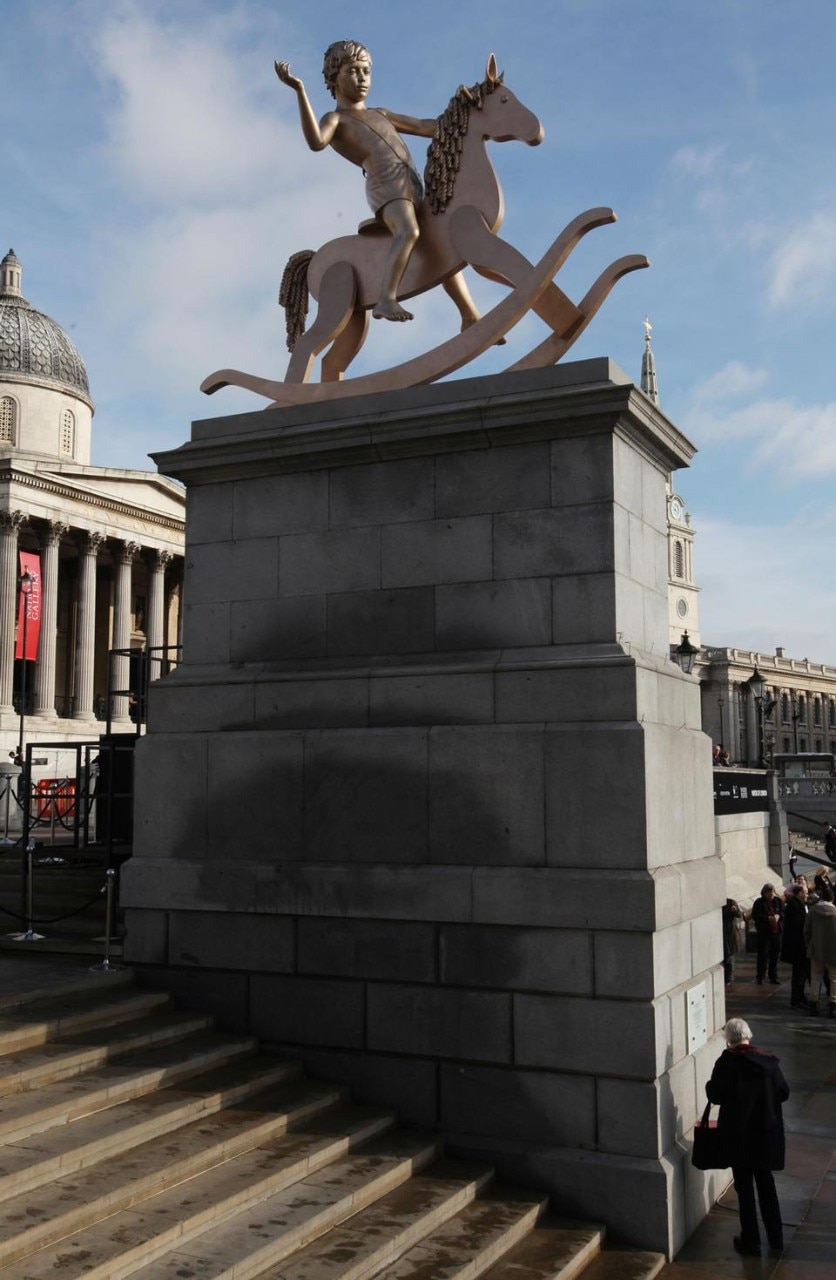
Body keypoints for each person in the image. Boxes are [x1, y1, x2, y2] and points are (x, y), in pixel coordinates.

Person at [276, 40, 479, 326]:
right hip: (386, 185)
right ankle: (386, 299)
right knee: (408, 231)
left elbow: (428, 127)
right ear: (335, 78)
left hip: (412, 183)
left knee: (440, 240)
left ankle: (469, 314)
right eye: (353, 71)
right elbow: (316, 141)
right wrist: (300, 91)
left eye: (366, 72)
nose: (361, 79)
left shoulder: (381, 114)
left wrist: (463, 106)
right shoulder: (335, 119)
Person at [705, 1017, 789, 1256]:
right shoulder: (768, 1062)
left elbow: (716, 1094)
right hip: (765, 1135)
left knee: (745, 1190)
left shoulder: (727, 1063)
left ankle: (751, 1240)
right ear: (748, 1036)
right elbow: (784, 1092)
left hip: (738, 1137)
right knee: (767, 1188)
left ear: (729, 1040)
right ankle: (776, 1238)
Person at [804, 884, 836, 1016]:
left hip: (816, 949)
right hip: (833, 950)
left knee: (815, 978)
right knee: (834, 979)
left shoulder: (812, 910)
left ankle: (814, 1005)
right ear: (832, 898)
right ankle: (833, 1006)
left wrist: (810, 944)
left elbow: (806, 930)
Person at [780, 882, 809, 1008]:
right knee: (799, 974)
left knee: (801, 974)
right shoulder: (794, 905)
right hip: (798, 947)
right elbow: (799, 926)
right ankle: (796, 999)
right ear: (800, 893)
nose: (807, 895)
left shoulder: (798, 904)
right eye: (805, 893)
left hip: (799, 946)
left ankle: (800, 997)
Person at [751, 883, 783, 985]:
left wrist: (779, 916)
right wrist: (767, 918)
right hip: (764, 933)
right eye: (769, 892)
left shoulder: (778, 901)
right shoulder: (759, 902)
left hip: (776, 932)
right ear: (764, 893)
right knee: (763, 955)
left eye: (773, 892)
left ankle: (773, 976)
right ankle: (760, 976)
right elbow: (756, 915)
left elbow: (783, 912)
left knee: (774, 955)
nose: (771, 894)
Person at [721, 898, 742, 985]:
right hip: (722, 932)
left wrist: (735, 910)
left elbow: (739, 915)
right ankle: (726, 977)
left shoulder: (730, 902)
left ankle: (729, 978)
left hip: (730, 934)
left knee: (729, 956)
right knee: (725, 957)